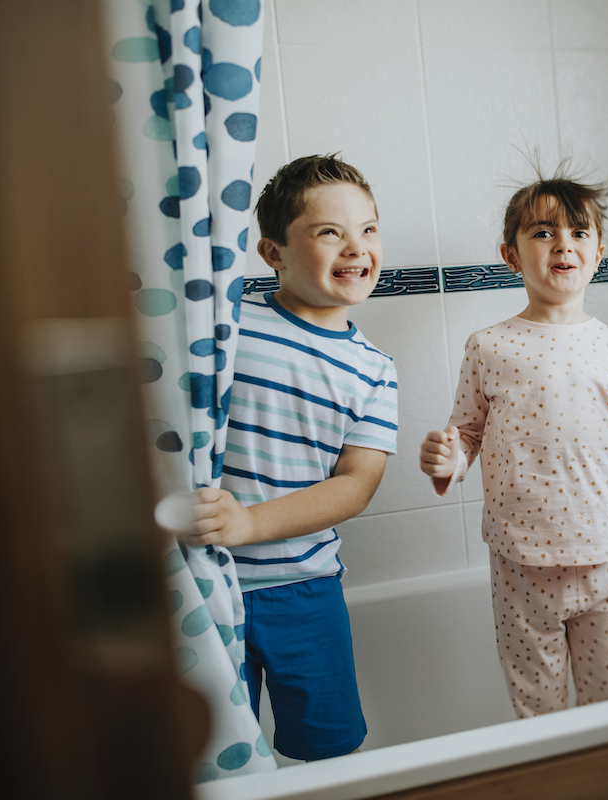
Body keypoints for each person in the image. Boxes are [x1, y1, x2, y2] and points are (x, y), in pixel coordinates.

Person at [419, 166, 608, 717]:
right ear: (511, 255)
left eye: (578, 233)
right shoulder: (490, 346)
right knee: (537, 710)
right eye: (543, 232)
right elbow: (468, 434)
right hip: (520, 567)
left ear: (597, 254)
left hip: (603, 561)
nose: (562, 245)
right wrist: (447, 461)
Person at [186, 155, 398, 760]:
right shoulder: (229, 327)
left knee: (328, 749)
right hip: (208, 583)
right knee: (220, 756)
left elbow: (355, 486)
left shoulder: (374, 371)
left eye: (370, 229)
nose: (357, 247)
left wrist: (251, 523)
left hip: (305, 589)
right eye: (330, 231)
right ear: (272, 252)